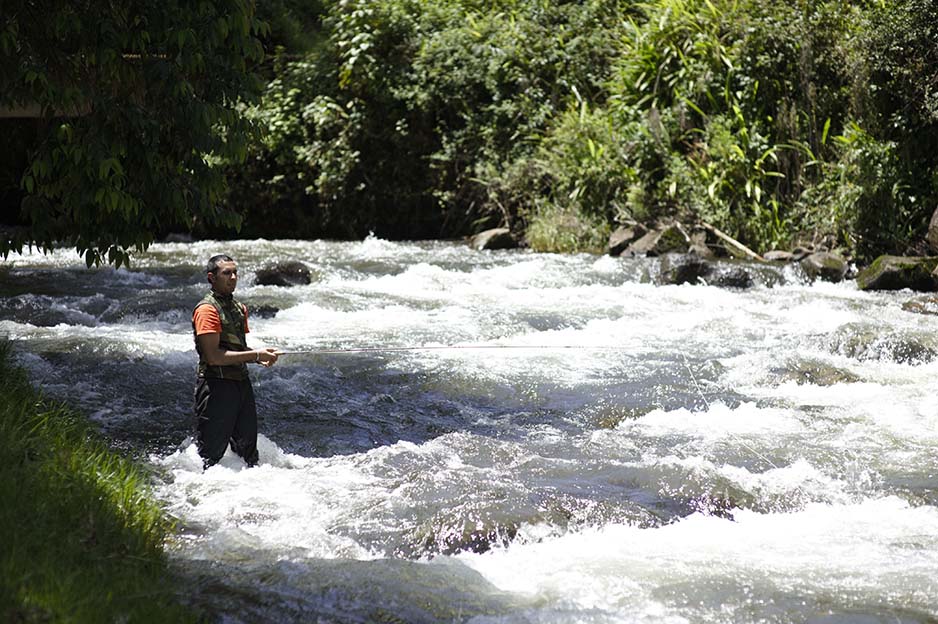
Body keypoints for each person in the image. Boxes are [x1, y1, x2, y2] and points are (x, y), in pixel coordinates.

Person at [192, 254, 279, 469]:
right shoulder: (206, 310)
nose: (233, 277)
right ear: (212, 278)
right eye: (226, 273)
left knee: (248, 454)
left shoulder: (239, 308)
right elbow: (214, 357)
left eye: (235, 272)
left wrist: (260, 356)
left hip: (241, 385)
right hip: (216, 387)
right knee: (210, 456)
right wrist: (256, 355)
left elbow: (237, 349)